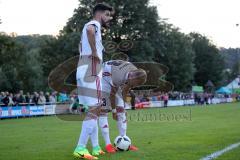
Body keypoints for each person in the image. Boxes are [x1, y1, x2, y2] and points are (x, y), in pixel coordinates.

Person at [73, 3, 113, 160]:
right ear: (100, 13)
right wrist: (95, 53)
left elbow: (80, 45)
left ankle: (95, 147)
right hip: (91, 71)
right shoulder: (93, 24)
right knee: (95, 109)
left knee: (93, 110)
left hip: (83, 70)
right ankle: (80, 148)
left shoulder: (89, 28)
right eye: (108, 15)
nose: (109, 18)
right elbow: (90, 30)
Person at [99, 60, 147, 153]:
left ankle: (124, 139)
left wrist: (123, 107)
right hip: (103, 78)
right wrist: (113, 112)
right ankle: (108, 144)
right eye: (135, 84)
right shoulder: (119, 77)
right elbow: (112, 94)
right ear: (133, 77)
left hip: (114, 78)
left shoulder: (134, 73)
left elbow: (125, 89)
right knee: (103, 112)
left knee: (122, 112)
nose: (134, 86)